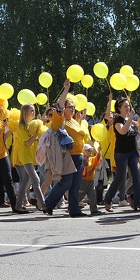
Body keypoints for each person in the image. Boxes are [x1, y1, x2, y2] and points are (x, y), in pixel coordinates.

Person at [44, 80, 88, 217]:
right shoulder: (60, 119)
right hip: (68, 156)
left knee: (75, 184)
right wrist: (66, 90)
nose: (73, 109)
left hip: (78, 155)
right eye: (70, 107)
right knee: (66, 182)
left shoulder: (74, 120)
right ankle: (48, 203)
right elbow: (59, 106)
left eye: (74, 107)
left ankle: (74, 210)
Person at [103, 96, 140, 212]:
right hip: (121, 153)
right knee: (120, 177)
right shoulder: (118, 120)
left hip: (133, 152)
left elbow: (134, 133)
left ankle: (139, 203)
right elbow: (122, 132)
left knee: (137, 177)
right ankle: (108, 200)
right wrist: (130, 119)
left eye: (128, 105)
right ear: (119, 108)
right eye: (125, 106)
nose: (128, 108)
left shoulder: (129, 120)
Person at [15, 104, 46, 212]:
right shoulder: (22, 126)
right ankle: (43, 204)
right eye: (31, 111)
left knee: (25, 183)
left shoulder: (30, 125)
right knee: (36, 179)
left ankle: (18, 206)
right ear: (25, 113)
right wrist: (36, 134)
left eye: (33, 110)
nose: (33, 112)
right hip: (25, 156)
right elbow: (28, 143)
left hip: (30, 156)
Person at [78, 143, 103, 216]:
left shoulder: (92, 159)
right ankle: (72, 207)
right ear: (84, 151)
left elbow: (98, 158)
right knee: (80, 196)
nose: (90, 153)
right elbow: (83, 172)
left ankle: (94, 210)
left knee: (92, 196)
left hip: (90, 181)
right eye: (88, 151)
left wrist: (98, 150)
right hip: (83, 181)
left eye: (91, 151)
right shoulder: (82, 160)